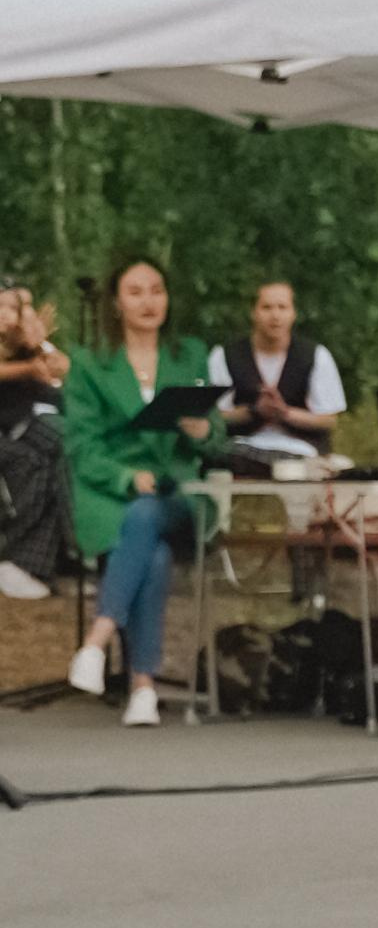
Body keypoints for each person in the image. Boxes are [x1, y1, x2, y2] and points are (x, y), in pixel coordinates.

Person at [62, 256, 221, 725]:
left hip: (180, 492)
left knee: (149, 514)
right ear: (116, 303)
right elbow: (83, 447)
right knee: (149, 546)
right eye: (136, 292)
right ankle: (143, 688)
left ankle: (97, 638)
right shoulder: (90, 364)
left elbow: (215, 435)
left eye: (156, 290)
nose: (148, 301)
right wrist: (128, 479)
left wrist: (199, 429)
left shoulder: (189, 354)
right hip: (113, 492)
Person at [209, 280, 345, 461]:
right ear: (253, 313)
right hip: (243, 451)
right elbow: (216, 417)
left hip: (303, 453)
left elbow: (328, 419)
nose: (275, 316)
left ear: (293, 313)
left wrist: (285, 413)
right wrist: (254, 411)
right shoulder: (224, 355)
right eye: (267, 307)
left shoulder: (316, 355)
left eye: (282, 307)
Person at [0, 285, 74, 599]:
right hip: (12, 434)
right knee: (44, 455)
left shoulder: (26, 348)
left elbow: (60, 372)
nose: (5, 314)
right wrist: (31, 366)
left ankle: (37, 560)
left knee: (65, 453)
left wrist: (41, 348)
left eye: (11, 308)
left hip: (20, 431)